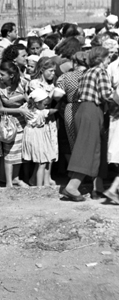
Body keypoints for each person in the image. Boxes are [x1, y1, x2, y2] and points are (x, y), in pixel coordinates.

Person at [62, 46, 113, 202]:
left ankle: (98, 188)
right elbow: (106, 94)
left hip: (83, 110)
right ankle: (72, 186)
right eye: (107, 57)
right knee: (87, 149)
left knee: (96, 148)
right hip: (92, 110)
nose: (109, 60)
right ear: (101, 59)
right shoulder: (100, 72)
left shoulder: (87, 72)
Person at [0, 61, 31, 188]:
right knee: (9, 152)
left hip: (23, 121)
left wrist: (26, 106)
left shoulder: (23, 84)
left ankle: (16, 178)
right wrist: (18, 110)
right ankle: (8, 182)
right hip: (9, 124)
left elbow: (29, 99)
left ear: (12, 75)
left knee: (19, 152)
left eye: (2, 74)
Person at [21, 88, 58, 187]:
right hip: (38, 136)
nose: (46, 106)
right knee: (42, 163)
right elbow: (52, 111)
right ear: (37, 103)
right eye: (45, 104)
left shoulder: (27, 109)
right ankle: (39, 186)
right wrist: (61, 103)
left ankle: (39, 183)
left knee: (42, 161)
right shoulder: (41, 112)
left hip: (31, 134)